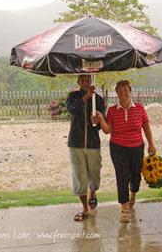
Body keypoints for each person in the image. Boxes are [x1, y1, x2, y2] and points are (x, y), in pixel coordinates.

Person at [94, 80, 156, 223]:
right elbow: (107, 131)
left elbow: (146, 127)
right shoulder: (112, 111)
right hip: (118, 148)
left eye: (125, 90)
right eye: (120, 90)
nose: (123, 93)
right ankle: (124, 208)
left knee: (135, 176)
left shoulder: (140, 108)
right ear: (116, 93)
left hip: (137, 147)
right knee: (122, 177)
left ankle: (133, 193)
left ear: (130, 91)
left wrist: (151, 144)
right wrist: (102, 120)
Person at [66, 74, 105, 221]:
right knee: (79, 176)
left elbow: (103, 124)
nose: (85, 82)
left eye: (88, 79)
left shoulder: (99, 100)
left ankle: (93, 192)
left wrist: (99, 120)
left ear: (91, 81)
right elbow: (72, 110)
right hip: (76, 143)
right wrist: (86, 97)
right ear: (78, 82)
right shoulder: (73, 96)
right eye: (82, 80)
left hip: (93, 143)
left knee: (94, 175)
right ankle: (84, 208)